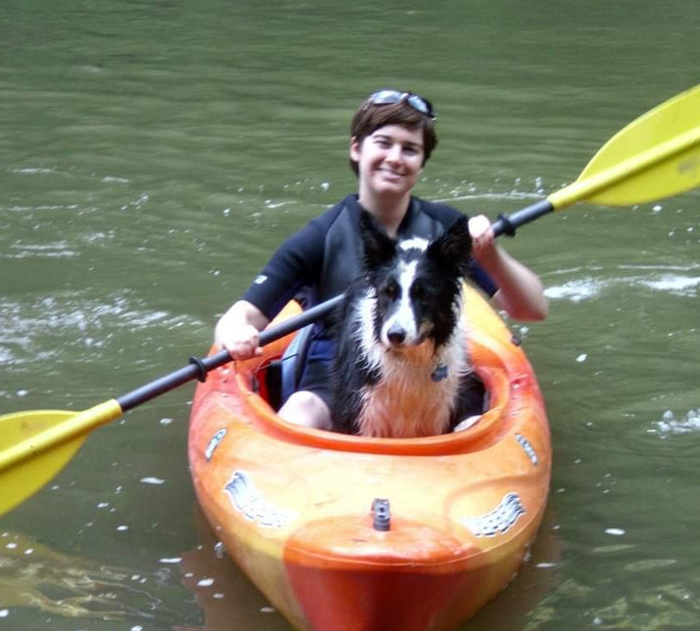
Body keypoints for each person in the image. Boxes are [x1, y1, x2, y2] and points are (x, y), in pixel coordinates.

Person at [213, 89, 548, 430]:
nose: (395, 158)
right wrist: (236, 333)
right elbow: (242, 315)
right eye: (384, 143)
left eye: (410, 149)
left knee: (475, 426)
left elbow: (531, 309)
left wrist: (490, 254)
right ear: (357, 149)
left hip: (435, 370)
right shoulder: (321, 236)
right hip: (336, 368)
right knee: (301, 411)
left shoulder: (447, 230)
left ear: (421, 163)